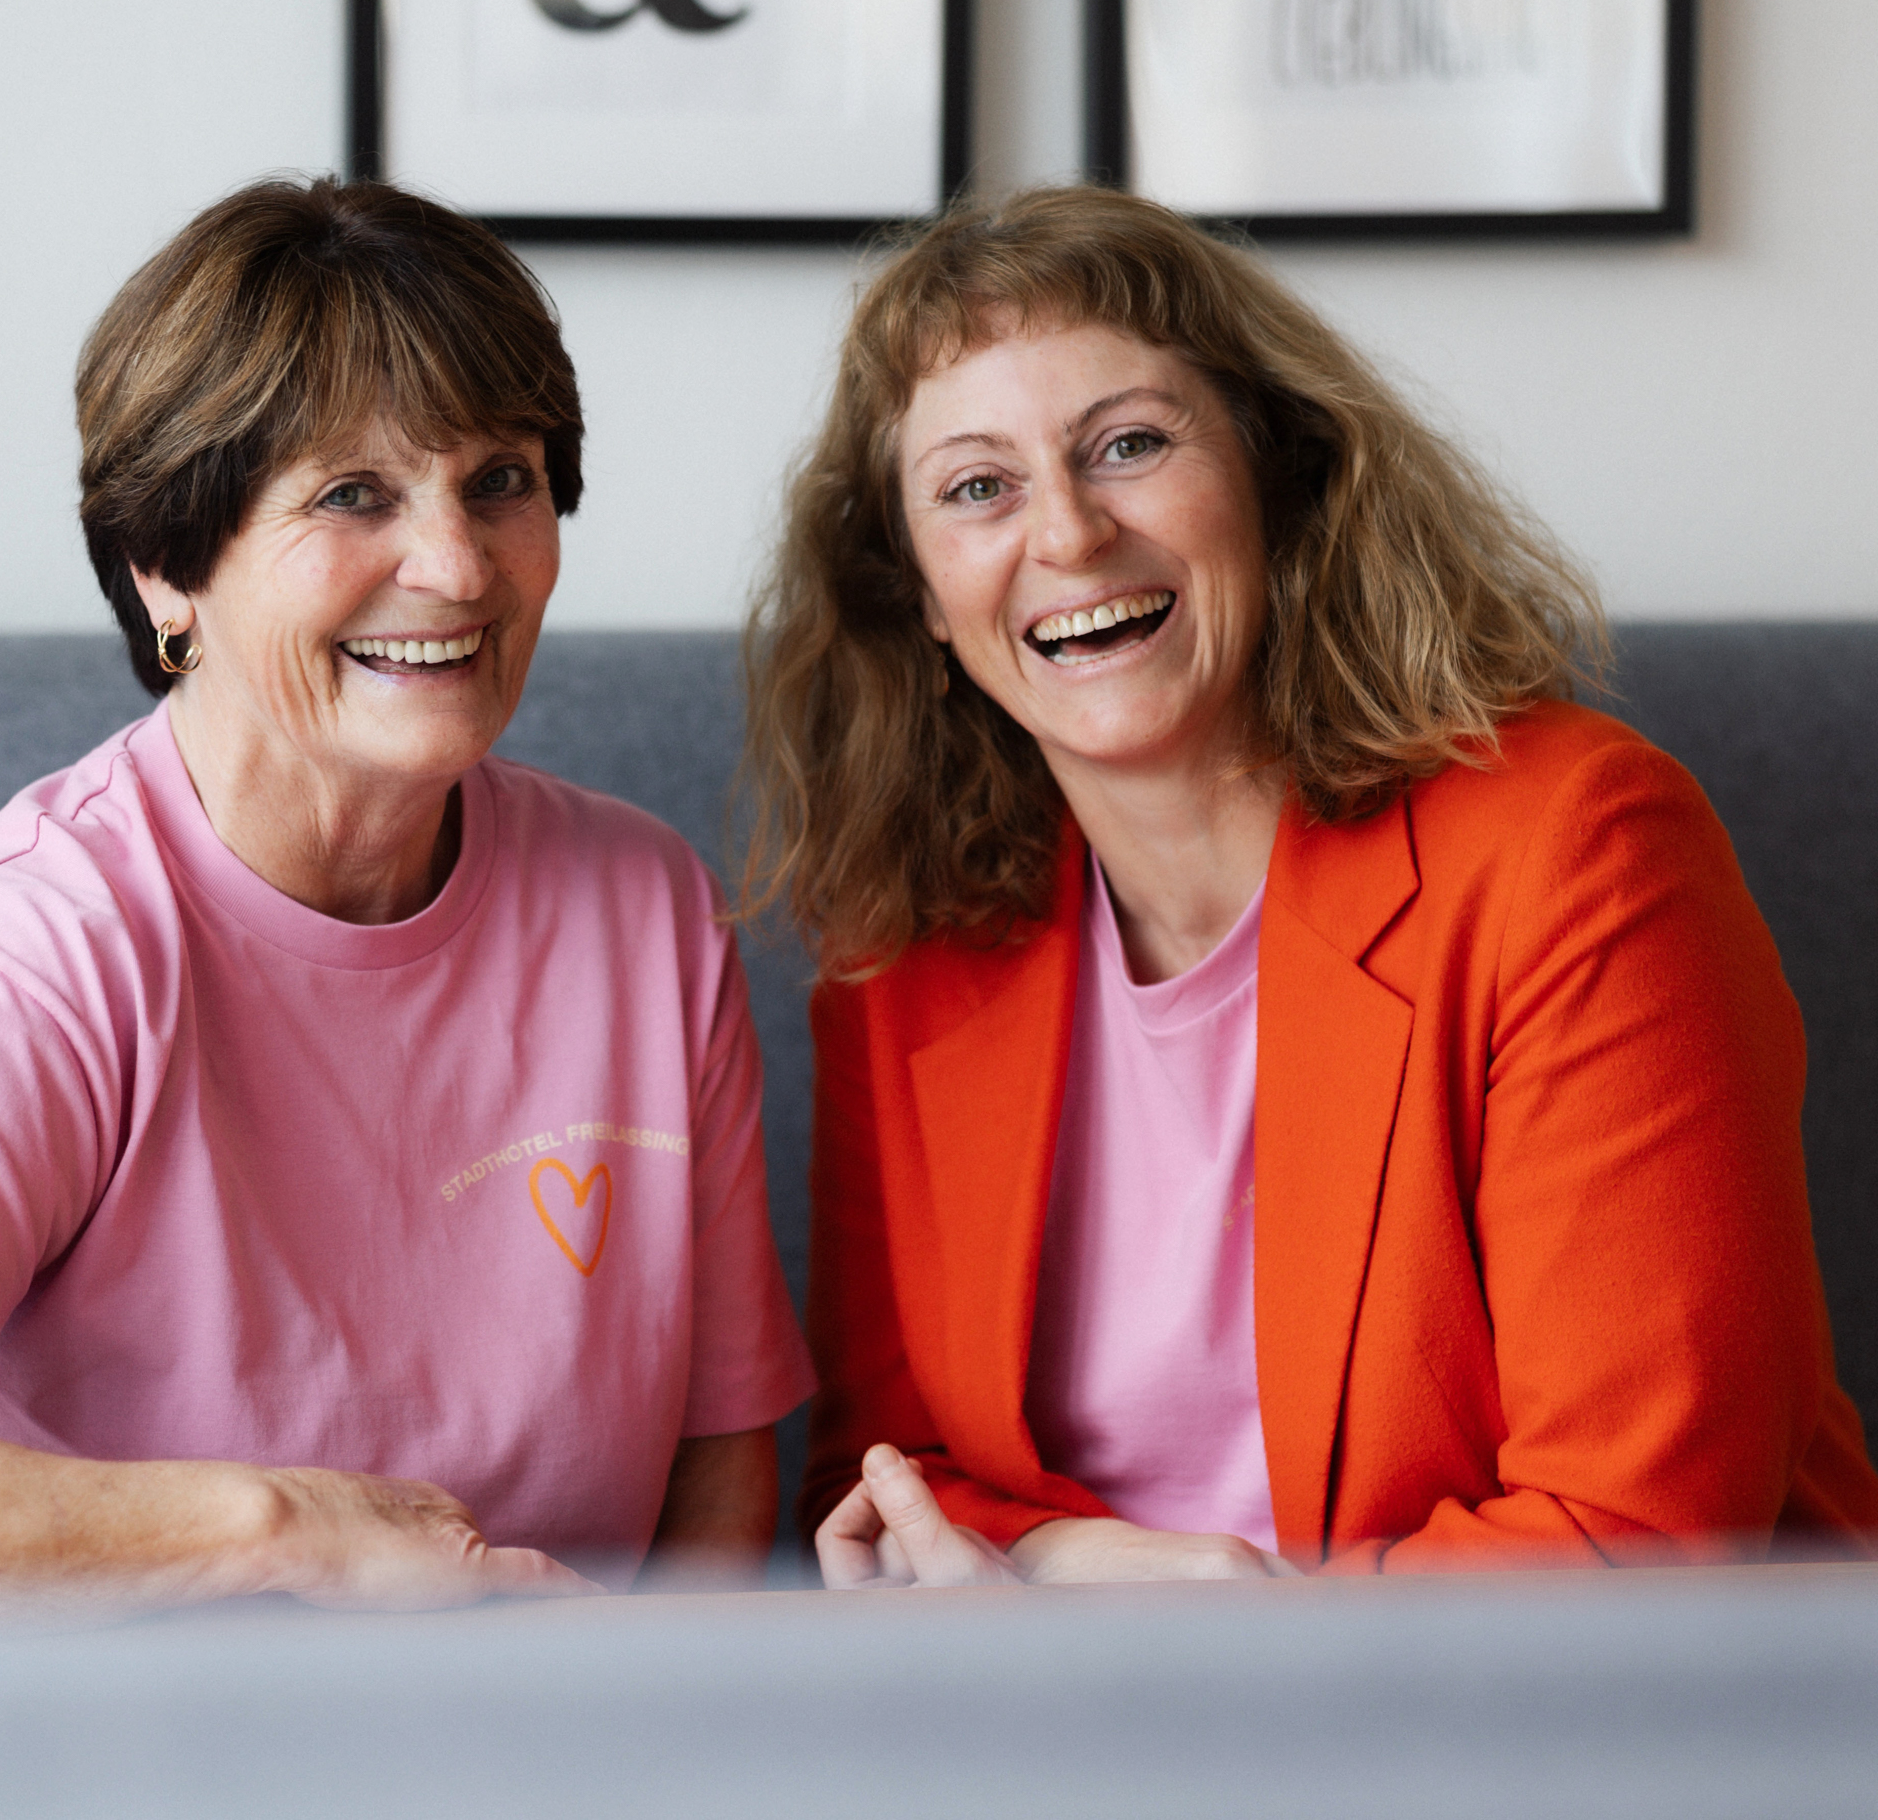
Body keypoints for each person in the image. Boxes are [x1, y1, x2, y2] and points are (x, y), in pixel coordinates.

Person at [0, 177, 812, 1634]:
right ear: (165, 569)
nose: (455, 567)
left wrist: (634, 1744)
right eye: (351, 494)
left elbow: (719, 1459)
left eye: (498, 478)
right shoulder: (46, 948)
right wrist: (284, 1526)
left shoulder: (650, 913)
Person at [739, 185, 1878, 1586]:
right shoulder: (903, 952)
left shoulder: (1580, 846)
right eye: (978, 487)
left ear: (1277, 474)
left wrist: (1244, 1621)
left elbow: (1639, 1532)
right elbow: (883, 1484)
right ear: (917, 587)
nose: (1071, 535)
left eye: (1131, 445)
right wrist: (1119, 1586)